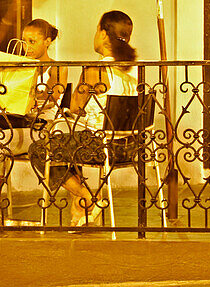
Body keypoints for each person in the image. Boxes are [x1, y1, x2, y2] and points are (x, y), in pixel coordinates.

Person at [29, 11, 138, 226]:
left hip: (100, 146)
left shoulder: (96, 70)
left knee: (40, 150)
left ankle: (87, 197)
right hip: (131, 145)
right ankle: (81, 211)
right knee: (67, 142)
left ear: (104, 34)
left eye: (97, 30)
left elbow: (75, 108)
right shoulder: (137, 68)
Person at [0, 19, 63, 217]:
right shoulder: (17, 67)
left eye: (33, 41)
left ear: (48, 41)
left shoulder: (56, 67)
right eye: (24, 41)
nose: (27, 47)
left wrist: (32, 92)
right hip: (12, 123)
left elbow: (55, 93)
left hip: (39, 127)